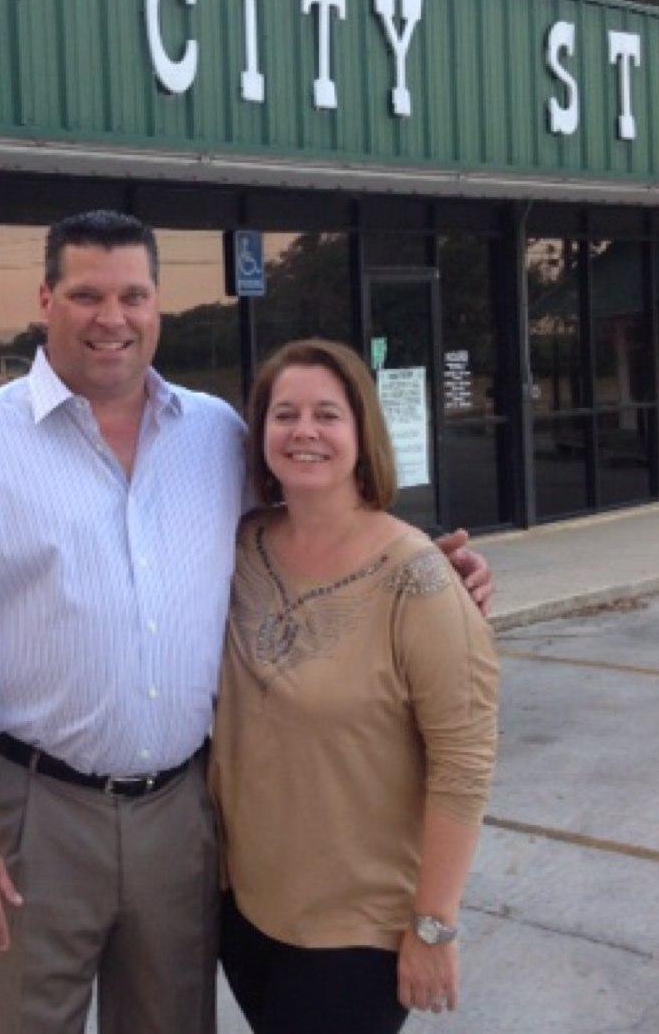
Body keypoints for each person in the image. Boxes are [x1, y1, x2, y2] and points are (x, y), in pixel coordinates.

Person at [0, 212, 493, 1034]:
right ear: (45, 298)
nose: (111, 317)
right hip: (33, 813)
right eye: (87, 293)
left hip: (182, 815)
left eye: (133, 294)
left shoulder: (216, 436)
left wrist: (429, 573)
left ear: (158, 303)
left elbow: (317, 527)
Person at [209, 338, 500, 1034]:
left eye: (326, 415)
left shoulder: (419, 578)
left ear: (362, 431)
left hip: (358, 934)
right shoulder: (237, 546)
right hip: (244, 913)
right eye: (284, 414)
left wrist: (434, 926)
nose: (303, 431)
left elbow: (463, 763)